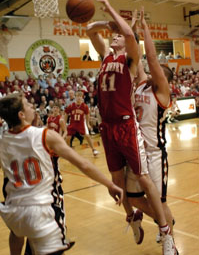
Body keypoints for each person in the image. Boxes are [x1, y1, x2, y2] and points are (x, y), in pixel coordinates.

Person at [86, 0, 177, 254]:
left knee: (155, 197)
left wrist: (126, 24)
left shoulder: (154, 86)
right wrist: (107, 23)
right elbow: (97, 32)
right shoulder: (125, 73)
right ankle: (135, 217)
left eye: (118, 37)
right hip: (111, 128)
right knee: (123, 188)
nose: (114, 38)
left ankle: (166, 231)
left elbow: (139, 49)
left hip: (144, 142)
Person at [0, 93, 123, 255]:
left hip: (13, 212)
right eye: (27, 104)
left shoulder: (3, 141)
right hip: (41, 211)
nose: (32, 106)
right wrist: (110, 184)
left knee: (18, 234)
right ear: (21, 115)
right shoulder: (45, 135)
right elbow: (84, 164)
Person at [125, 7, 178, 253]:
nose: (152, 70)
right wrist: (133, 30)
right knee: (133, 198)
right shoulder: (142, 86)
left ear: (164, 79)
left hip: (155, 154)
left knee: (162, 200)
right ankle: (163, 221)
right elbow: (138, 60)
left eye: (158, 72)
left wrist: (145, 27)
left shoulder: (162, 93)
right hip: (136, 152)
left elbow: (152, 59)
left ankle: (171, 242)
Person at [65, 91, 99, 156]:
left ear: (82, 97)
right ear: (75, 97)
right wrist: (65, 122)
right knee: (68, 137)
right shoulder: (71, 106)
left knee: (87, 136)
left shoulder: (85, 106)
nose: (79, 98)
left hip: (81, 123)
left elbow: (87, 115)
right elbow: (66, 114)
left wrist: (88, 123)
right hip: (72, 123)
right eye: (77, 96)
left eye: (80, 96)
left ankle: (93, 149)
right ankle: (68, 151)